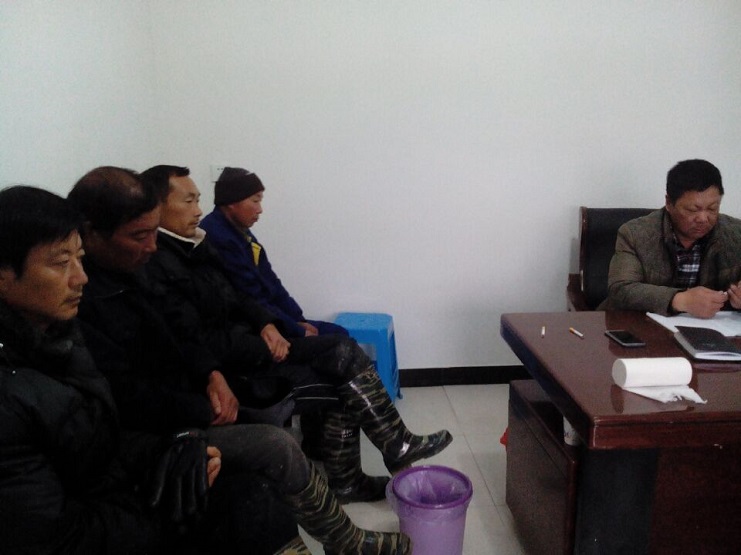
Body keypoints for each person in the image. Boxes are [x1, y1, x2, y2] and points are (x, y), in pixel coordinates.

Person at [68, 167, 412, 555]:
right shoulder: (99, 295)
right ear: (90, 232)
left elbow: (221, 311)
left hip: (210, 384)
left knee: (338, 349)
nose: (150, 245)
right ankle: (357, 512)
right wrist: (229, 375)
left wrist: (244, 346)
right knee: (286, 434)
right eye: (188, 200)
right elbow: (135, 387)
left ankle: (370, 480)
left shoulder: (175, 255)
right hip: (186, 412)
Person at [138, 164, 453, 504]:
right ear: (156, 207)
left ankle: (372, 459)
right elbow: (200, 337)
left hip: (254, 342)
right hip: (241, 367)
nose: (198, 210)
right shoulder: (172, 257)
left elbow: (251, 293)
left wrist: (274, 323)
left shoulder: (197, 245)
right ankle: (374, 459)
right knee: (342, 359)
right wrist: (276, 335)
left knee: (342, 351)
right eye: (188, 201)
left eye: (198, 200)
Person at [0, 185, 224, 554]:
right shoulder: (11, 394)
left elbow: (95, 439)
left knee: (243, 492)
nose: (80, 278)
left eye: (79, 258)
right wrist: (164, 510)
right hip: (93, 528)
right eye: (60, 263)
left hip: (114, 498)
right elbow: (57, 539)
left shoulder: (59, 334)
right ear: (4, 275)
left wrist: (168, 448)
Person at [199, 167, 348, 338]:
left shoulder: (240, 231)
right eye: (255, 201)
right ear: (232, 202)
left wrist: (298, 319)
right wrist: (298, 331)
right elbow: (251, 298)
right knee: (335, 341)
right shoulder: (219, 237)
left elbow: (271, 281)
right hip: (250, 327)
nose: (260, 209)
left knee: (337, 333)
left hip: (270, 317)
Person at [601, 159, 741, 318]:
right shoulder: (635, 234)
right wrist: (680, 300)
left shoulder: (736, 234)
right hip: (641, 325)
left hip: (713, 328)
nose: (703, 218)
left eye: (712, 209)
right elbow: (620, 290)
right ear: (669, 202)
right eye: (692, 210)